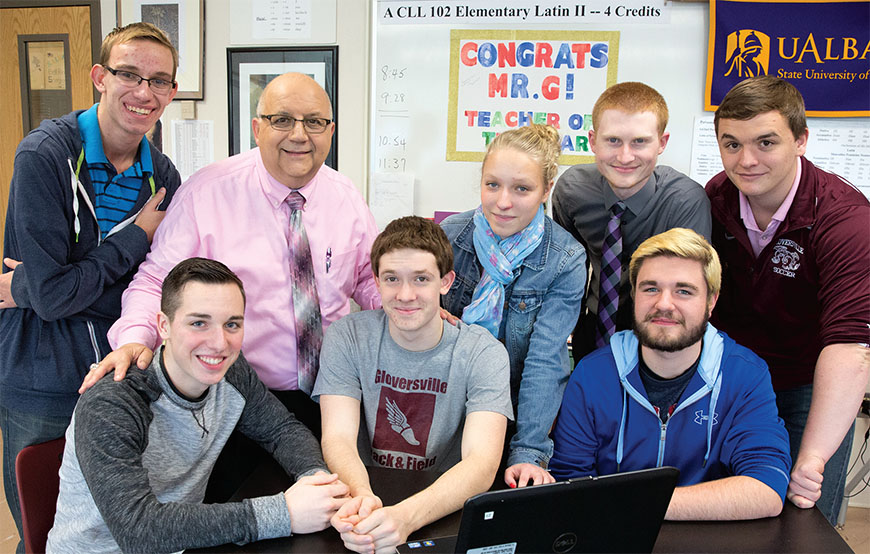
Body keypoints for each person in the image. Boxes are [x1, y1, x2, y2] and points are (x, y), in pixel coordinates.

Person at [83, 72, 381, 433]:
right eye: (282, 120)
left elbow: (369, 278)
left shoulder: (346, 197)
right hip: (233, 400)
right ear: (257, 129)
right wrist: (134, 339)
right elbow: (155, 282)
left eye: (314, 122)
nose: (299, 135)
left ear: (330, 132)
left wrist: (412, 309)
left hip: (333, 395)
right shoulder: (206, 193)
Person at [0, 22, 181, 544]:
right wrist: (136, 239)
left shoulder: (164, 180)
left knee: (107, 532)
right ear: (100, 77)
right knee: (46, 533)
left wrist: (34, 289)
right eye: (130, 74)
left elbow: (150, 289)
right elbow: (58, 297)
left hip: (118, 373)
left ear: (171, 91)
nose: (144, 92)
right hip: (41, 378)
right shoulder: (46, 156)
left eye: (160, 81)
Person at [46, 258, 349, 552]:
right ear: (163, 325)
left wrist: (317, 481)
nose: (219, 343)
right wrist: (284, 513)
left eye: (232, 324)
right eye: (199, 323)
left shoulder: (232, 372)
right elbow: (138, 530)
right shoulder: (113, 403)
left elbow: (280, 430)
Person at [707, 75, 870, 524]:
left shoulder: (845, 219)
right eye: (732, 144)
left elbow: (850, 346)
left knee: (805, 515)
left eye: (765, 142)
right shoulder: (714, 199)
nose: (746, 160)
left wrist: (814, 457)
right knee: (728, 510)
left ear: (800, 140)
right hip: (732, 382)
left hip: (807, 385)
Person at [549, 228, 792, 520]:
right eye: (650, 288)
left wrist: (639, 504)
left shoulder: (745, 376)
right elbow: (568, 486)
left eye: (684, 291)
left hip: (709, 539)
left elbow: (766, 488)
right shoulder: (592, 374)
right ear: (634, 295)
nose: (664, 304)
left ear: (711, 301)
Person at [314, 216, 513, 553]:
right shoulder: (347, 336)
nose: (405, 295)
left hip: (443, 508)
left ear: (446, 282)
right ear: (376, 281)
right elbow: (337, 437)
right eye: (392, 279)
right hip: (362, 500)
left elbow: (481, 465)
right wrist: (363, 500)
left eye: (421, 279)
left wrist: (404, 519)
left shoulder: (484, 352)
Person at [440, 124, 587, 489]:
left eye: (522, 188)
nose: (503, 202)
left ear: (546, 189)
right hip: (440, 408)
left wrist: (528, 453)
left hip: (509, 415)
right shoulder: (447, 237)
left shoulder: (565, 259)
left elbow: (545, 360)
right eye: (492, 185)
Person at [553, 81, 711, 360]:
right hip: (592, 331)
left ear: (662, 143)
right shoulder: (572, 191)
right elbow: (567, 271)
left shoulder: (685, 202)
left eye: (640, 141)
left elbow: (691, 294)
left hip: (660, 334)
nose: (625, 156)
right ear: (592, 141)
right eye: (613, 140)